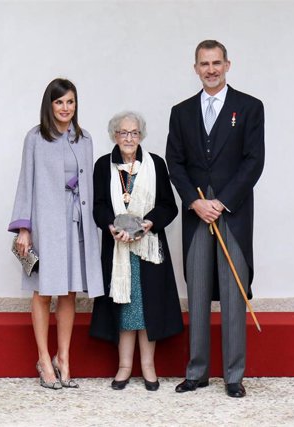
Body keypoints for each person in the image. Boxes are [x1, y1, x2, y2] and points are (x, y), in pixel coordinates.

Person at [165, 40, 265, 398]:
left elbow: (254, 162)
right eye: (204, 64)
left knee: (234, 293)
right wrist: (193, 201)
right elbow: (173, 162)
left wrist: (221, 202)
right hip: (196, 217)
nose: (211, 69)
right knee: (198, 290)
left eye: (216, 63)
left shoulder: (250, 108)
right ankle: (197, 371)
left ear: (228, 65)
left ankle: (234, 375)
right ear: (195, 68)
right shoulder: (181, 112)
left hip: (231, 214)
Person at [9, 78, 104, 390]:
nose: (66, 108)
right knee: (43, 291)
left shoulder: (85, 139)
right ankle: (44, 359)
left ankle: (64, 357)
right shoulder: (35, 138)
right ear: (50, 106)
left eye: (71, 102)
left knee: (69, 292)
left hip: (77, 222)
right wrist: (25, 229)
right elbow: (26, 181)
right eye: (60, 102)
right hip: (46, 222)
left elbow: (89, 184)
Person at [90, 111, 183, 391]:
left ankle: (148, 367)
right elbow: (98, 206)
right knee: (124, 307)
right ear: (114, 136)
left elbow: (169, 205)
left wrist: (149, 222)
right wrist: (110, 226)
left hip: (149, 248)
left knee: (147, 308)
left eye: (133, 133)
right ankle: (124, 367)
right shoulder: (102, 166)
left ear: (141, 135)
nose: (128, 138)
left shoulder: (155, 164)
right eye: (122, 133)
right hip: (117, 248)